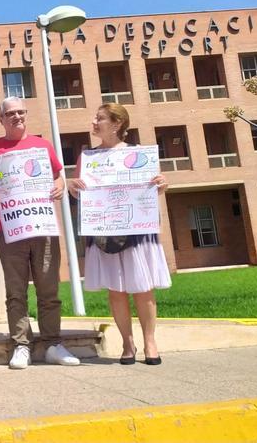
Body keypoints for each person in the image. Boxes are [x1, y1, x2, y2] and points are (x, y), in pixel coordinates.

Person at [0, 97, 81, 370]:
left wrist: (58, 186)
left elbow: (58, 176)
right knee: (16, 291)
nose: (17, 117)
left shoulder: (42, 146)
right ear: (1, 119)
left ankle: (53, 343)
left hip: (42, 227)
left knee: (49, 288)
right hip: (9, 229)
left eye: (21, 112)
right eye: (10, 113)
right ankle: (21, 345)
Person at [67, 103, 171, 365]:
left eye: (100, 118)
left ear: (117, 124)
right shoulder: (87, 158)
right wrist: (73, 187)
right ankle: (127, 342)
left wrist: (160, 184)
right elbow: (79, 194)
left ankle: (150, 341)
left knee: (143, 288)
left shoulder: (138, 155)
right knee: (116, 290)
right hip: (104, 232)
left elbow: (150, 189)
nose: (94, 122)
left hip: (136, 230)